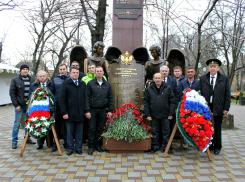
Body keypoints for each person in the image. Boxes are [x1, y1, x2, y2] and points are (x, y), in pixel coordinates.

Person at [198, 59, 230, 154]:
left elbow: (227, 94)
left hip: (218, 106)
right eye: (211, 66)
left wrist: (226, 108)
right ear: (209, 68)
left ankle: (217, 146)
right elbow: (199, 93)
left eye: (214, 66)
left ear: (218, 68)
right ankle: (209, 145)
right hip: (206, 107)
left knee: (217, 127)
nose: (212, 68)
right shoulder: (203, 78)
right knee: (207, 127)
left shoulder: (224, 78)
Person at [144, 73, 175, 154]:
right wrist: (148, 114)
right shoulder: (149, 89)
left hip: (166, 115)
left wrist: (171, 113)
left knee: (166, 132)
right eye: (156, 78)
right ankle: (155, 147)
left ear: (162, 79)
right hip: (154, 115)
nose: (158, 79)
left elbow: (172, 101)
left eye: (159, 78)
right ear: (154, 79)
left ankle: (166, 148)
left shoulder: (168, 88)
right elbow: (146, 102)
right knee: (154, 132)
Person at [85, 66, 113, 155]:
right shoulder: (90, 84)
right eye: (97, 71)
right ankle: (91, 146)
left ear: (103, 72)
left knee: (100, 128)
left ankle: (98, 145)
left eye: (101, 71)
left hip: (102, 110)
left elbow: (110, 98)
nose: (99, 72)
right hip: (92, 110)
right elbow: (86, 98)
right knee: (91, 128)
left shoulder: (107, 84)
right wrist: (87, 111)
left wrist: (110, 110)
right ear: (95, 72)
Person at [59, 66, 86, 156]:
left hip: (80, 113)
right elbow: (61, 99)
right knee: (69, 133)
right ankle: (70, 148)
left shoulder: (82, 84)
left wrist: (86, 110)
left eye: (77, 73)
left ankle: (78, 148)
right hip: (69, 113)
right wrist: (64, 112)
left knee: (79, 133)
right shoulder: (65, 84)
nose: (75, 74)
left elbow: (86, 98)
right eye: (73, 72)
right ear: (70, 74)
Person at [9, 64, 36, 149]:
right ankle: (14, 141)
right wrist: (16, 105)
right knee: (17, 124)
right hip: (20, 106)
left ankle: (27, 138)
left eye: (26, 69)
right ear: (20, 70)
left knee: (28, 123)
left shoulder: (31, 79)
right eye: (23, 69)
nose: (25, 70)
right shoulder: (15, 80)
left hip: (29, 105)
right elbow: (12, 93)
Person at [29, 70, 52, 149]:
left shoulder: (51, 84)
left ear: (46, 76)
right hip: (37, 111)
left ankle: (50, 143)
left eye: (43, 76)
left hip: (49, 109)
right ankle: (40, 143)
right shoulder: (33, 85)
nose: (42, 77)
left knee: (49, 125)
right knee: (39, 125)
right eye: (40, 76)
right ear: (38, 77)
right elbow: (30, 97)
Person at [50, 63, 70, 152]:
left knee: (67, 127)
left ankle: (66, 143)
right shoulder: (54, 80)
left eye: (63, 69)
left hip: (67, 108)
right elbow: (51, 94)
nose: (62, 71)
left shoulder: (70, 78)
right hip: (57, 107)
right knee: (57, 127)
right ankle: (55, 144)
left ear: (67, 69)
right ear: (58, 70)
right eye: (60, 69)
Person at [178, 66, 199, 149]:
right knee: (185, 124)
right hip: (184, 108)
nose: (190, 73)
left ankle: (193, 141)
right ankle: (185, 142)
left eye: (192, 72)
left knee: (194, 125)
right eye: (188, 72)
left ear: (194, 73)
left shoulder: (198, 82)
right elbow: (179, 94)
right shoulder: (182, 83)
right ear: (186, 73)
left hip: (195, 108)